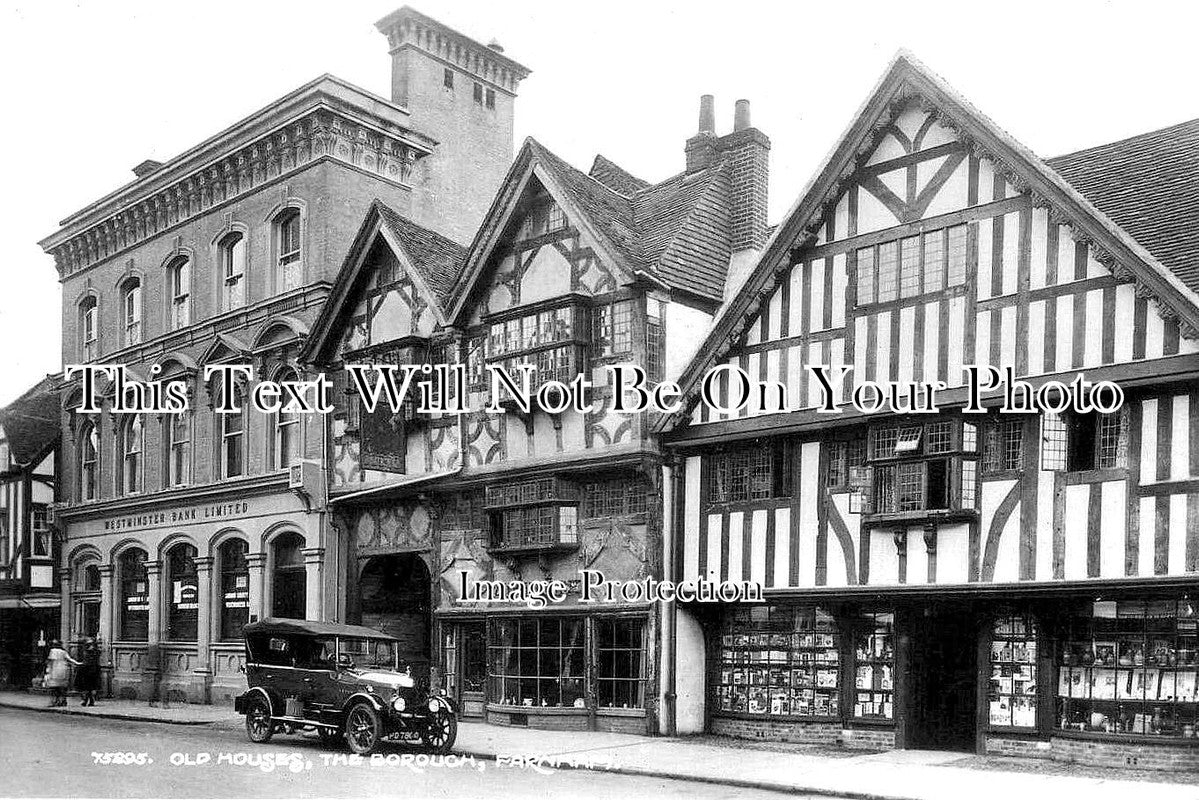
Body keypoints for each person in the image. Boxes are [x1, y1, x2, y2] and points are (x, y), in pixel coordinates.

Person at [44, 640, 80, 707]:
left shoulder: (52, 651)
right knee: (62, 688)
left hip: (54, 670)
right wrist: (77, 663)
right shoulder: (63, 652)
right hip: (63, 670)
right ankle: (63, 700)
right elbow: (70, 659)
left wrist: (48, 670)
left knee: (54, 688)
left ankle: (54, 701)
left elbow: (50, 661)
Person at [76, 637, 102, 707]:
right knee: (86, 687)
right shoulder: (85, 652)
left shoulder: (95, 652)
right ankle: (86, 700)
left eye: (91, 644)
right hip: (86, 670)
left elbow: (96, 661)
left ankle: (90, 700)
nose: (91, 646)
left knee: (91, 687)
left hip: (92, 670)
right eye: (89, 644)